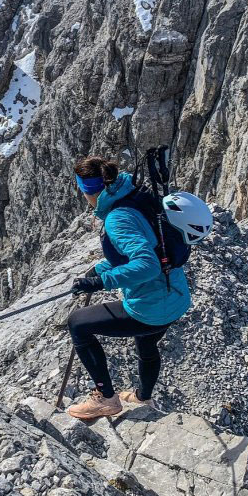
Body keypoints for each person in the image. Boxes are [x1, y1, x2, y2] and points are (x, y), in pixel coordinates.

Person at [66, 155, 192, 420]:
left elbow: (147, 265)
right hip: (176, 298)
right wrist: (100, 269)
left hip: (152, 308)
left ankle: (105, 399)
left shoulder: (117, 218)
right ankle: (142, 397)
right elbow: (149, 248)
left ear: (89, 191)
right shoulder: (135, 195)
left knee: (78, 324)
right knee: (146, 346)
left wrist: (102, 282)